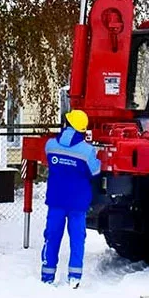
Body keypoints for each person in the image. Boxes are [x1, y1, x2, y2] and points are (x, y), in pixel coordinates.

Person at [41, 109, 101, 287]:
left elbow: (49, 163)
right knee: (77, 240)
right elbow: (95, 171)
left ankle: (47, 276)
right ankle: (74, 277)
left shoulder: (50, 145)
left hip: (56, 201)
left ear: (67, 124)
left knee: (52, 237)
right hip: (78, 204)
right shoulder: (87, 151)